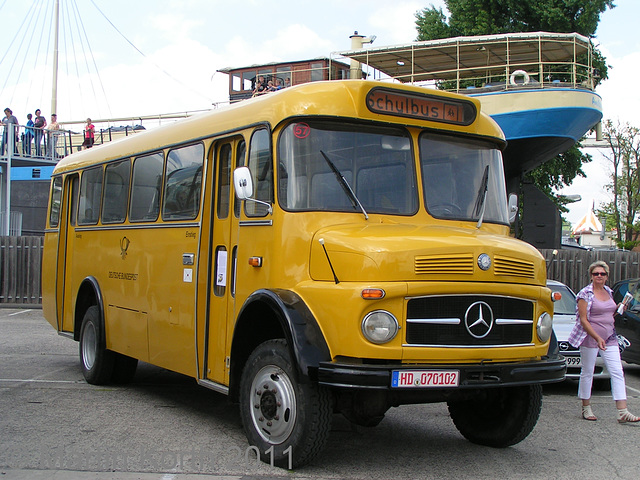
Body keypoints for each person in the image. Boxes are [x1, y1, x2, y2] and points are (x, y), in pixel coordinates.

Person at [568, 260, 640, 423]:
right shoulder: (585, 294)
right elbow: (584, 320)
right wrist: (597, 337)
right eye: (596, 274)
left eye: (602, 274)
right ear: (591, 276)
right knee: (588, 372)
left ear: (607, 276)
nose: (599, 276)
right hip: (590, 337)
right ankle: (586, 407)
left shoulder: (608, 291)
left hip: (610, 337)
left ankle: (622, 411)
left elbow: (610, 313)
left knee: (617, 371)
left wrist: (620, 307)